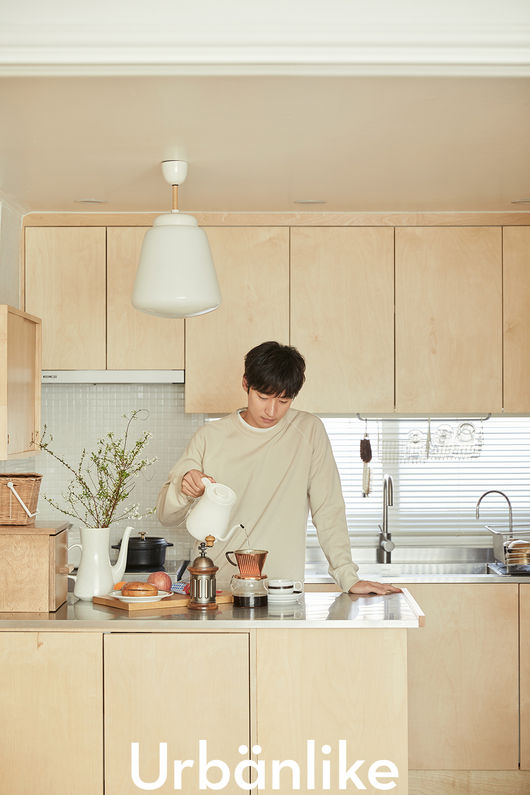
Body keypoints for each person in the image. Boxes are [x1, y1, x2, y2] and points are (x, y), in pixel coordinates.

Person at [156, 341, 400, 595]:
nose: (271, 411)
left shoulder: (309, 431)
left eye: (283, 400)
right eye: (263, 397)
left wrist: (348, 577)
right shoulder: (210, 436)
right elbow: (166, 516)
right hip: (217, 591)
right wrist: (185, 487)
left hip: (283, 592)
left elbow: (328, 509)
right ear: (245, 384)